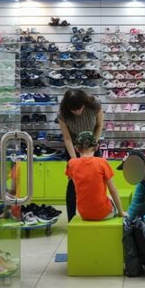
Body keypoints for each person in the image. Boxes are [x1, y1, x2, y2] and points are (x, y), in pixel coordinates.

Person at [57, 88, 104, 221]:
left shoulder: (95, 104)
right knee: (73, 182)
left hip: (92, 145)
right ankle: (71, 218)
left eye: (79, 109)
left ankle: (97, 212)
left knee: (96, 180)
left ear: (84, 102)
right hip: (74, 148)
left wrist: (93, 146)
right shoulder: (62, 114)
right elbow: (67, 138)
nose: (77, 112)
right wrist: (75, 160)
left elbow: (99, 125)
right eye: (73, 110)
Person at [66, 131, 122, 221]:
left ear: (76, 149)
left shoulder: (71, 164)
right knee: (111, 199)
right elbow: (113, 190)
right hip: (103, 213)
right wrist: (121, 212)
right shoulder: (102, 162)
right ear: (97, 147)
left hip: (83, 214)